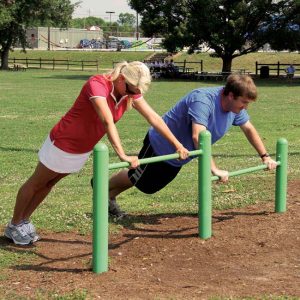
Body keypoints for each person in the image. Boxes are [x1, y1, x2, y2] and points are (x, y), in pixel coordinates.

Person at [4, 61, 189, 246]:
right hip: (62, 142)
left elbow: (153, 118)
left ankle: (24, 220)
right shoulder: (98, 84)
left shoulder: (127, 91)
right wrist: (123, 155)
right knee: (37, 182)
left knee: (49, 183)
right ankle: (14, 224)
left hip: (81, 148)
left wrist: (177, 144)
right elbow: (107, 120)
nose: (132, 95)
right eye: (131, 90)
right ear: (121, 79)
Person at [109, 74, 278, 219]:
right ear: (231, 95)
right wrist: (214, 169)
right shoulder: (203, 100)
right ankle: (102, 188)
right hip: (160, 144)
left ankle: (108, 195)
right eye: (244, 102)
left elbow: (249, 128)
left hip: (179, 155)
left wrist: (265, 156)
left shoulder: (235, 109)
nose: (245, 107)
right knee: (138, 177)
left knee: (147, 185)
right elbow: (198, 136)